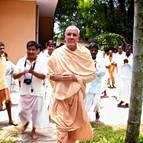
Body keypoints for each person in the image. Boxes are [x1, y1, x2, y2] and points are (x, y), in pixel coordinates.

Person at [47, 25, 96, 143]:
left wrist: (75, 77)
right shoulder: (57, 53)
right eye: (69, 34)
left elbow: (92, 75)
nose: (71, 37)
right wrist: (57, 77)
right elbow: (49, 75)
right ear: (65, 37)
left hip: (77, 96)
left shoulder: (85, 53)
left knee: (74, 130)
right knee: (62, 128)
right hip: (60, 97)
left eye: (74, 35)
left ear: (78, 38)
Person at [13, 41, 48, 139]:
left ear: (37, 51)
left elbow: (43, 76)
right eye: (29, 49)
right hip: (24, 91)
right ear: (26, 49)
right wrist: (22, 72)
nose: (31, 51)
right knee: (21, 111)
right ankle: (26, 122)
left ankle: (34, 130)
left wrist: (33, 72)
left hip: (37, 91)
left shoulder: (42, 61)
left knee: (36, 112)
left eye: (33, 49)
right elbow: (14, 76)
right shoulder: (21, 61)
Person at [85, 42, 105, 121]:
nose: (93, 52)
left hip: (97, 84)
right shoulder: (86, 61)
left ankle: (96, 112)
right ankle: (86, 118)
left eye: (95, 50)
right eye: (91, 50)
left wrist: (95, 70)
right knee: (87, 102)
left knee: (96, 100)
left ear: (97, 51)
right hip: (88, 85)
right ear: (89, 51)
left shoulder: (100, 61)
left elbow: (103, 72)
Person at [0, 42, 17, 125]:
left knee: (8, 101)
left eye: (3, 48)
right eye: (0, 48)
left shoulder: (4, 57)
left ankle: (10, 119)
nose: (2, 50)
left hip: (3, 83)